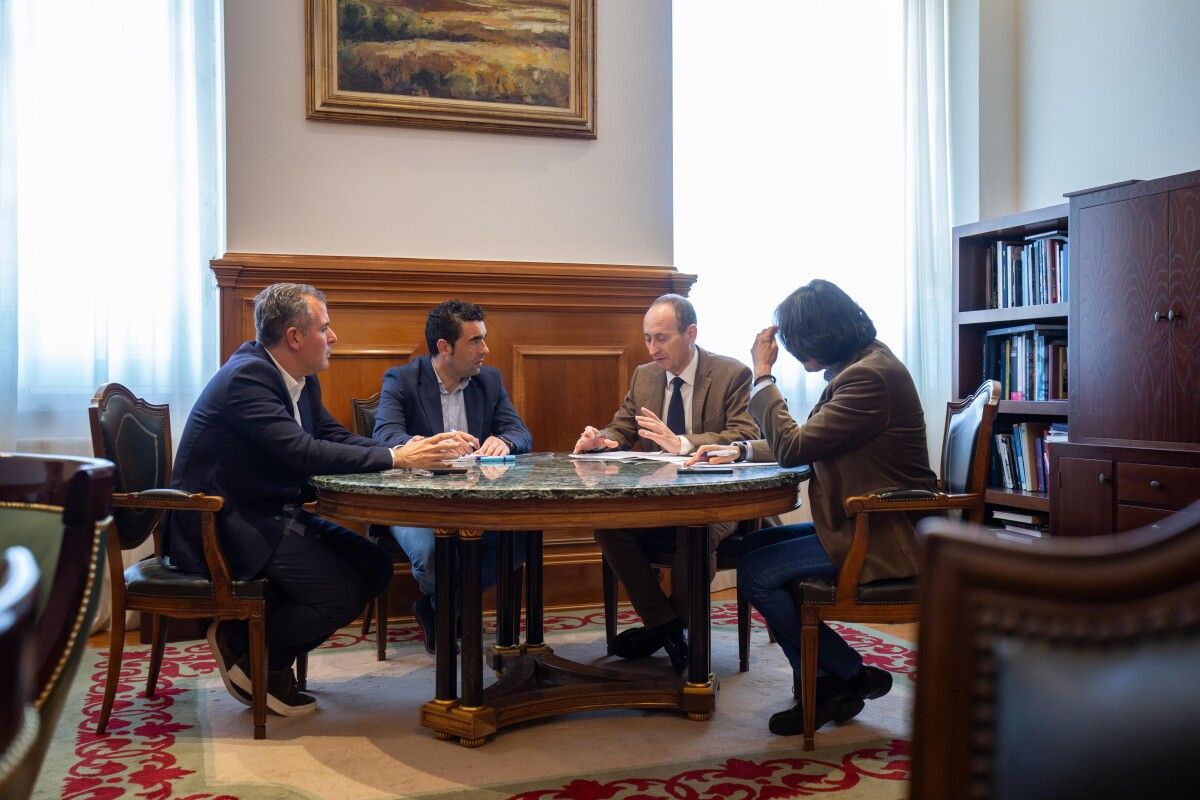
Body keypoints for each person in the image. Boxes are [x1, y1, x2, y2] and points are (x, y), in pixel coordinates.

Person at [166, 283, 471, 716]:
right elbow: (301, 452)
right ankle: (246, 645)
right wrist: (395, 457)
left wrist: (407, 453)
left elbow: (333, 437)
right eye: (325, 328)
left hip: (269, 515)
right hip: (223, 525)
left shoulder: (299, 379)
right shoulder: (247, 377)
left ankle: (263, 649)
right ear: (294, 337)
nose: (334, 337)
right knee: (340, 593)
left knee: (374, 565)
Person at [690, 279, 937, 736]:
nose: (793, 350)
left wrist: (762, 375)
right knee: (752, 548)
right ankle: (831, 678)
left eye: (797, 341)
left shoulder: (869, 378)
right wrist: (740, 452)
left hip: (884, 534)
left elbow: (795, 445)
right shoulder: (863, 365)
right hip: (862, 521)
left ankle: (843, 675)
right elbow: (807, 439)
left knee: (757, 573)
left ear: (822, 334)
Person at [573, 293, 761, 673]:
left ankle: (664, 630)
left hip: (718, 501)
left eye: (661, 338)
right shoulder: (645, 376)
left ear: (690, 333)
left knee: (696, 530)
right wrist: (601, 438)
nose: (652, 348)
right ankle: (667, 627)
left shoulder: (731, 374)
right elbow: (624, 426)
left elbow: (745, 433)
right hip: (658, 499)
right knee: (609, 527)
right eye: (647, 338)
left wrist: (684, 444)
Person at [372, 299, 532, 654]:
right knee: (431, 553)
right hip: (414, 504)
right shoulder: (402, 379)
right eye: (475, 341)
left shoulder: (488, 380)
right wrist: (430, 446)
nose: (486, 350)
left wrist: (503, 441)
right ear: (444, 347)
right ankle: (450, 609)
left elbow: (521, 433)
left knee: (519, 541)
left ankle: (439, 608)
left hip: (478, 501)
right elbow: (384, 435)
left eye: (484, 339)